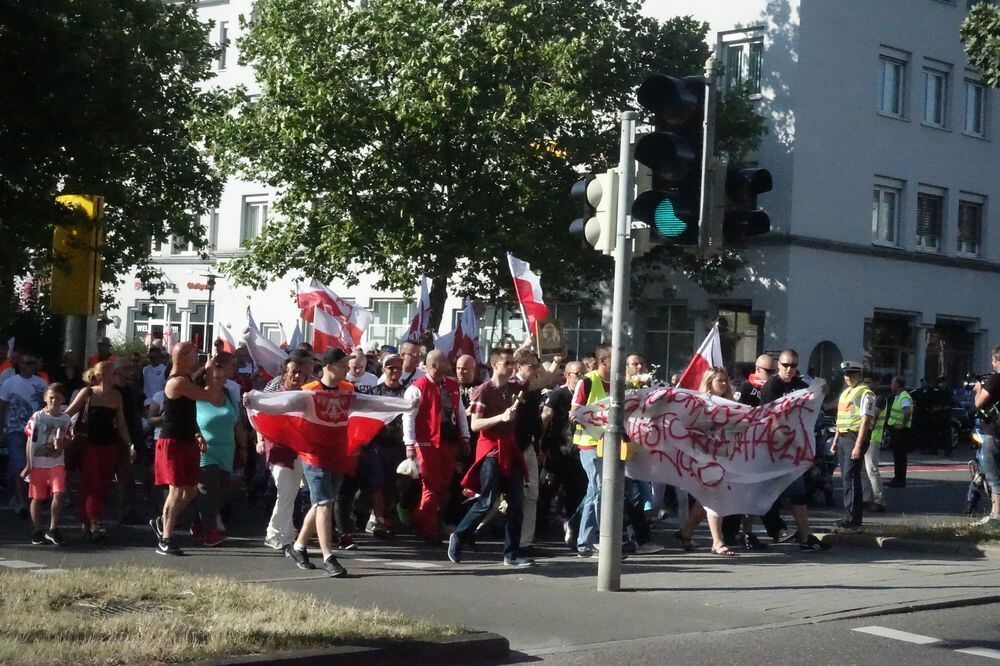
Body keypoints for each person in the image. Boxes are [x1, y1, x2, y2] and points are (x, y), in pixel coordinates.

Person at [449, 347, 531, 566]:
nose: (512, 367)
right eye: (507, 363)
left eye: (513, 363)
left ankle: (511, 554)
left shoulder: (516, 387)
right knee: (486, 501)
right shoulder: (483, 390)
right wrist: (501, 417)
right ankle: (459, 535)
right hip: (491, 452)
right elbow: (475, 425)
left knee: (516, 503)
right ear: (495, 365)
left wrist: (543, 351)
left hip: (510, 451)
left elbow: (542, 378)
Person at [149, 342, 224, 556]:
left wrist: (197, 433)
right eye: (193, 354)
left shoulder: (187, 377)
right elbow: (207, 395)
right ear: (183, 356)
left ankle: (162, 522)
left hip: (186, 439)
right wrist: (211, 374)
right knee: (177, 490)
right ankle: (166, 538)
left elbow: (188, 412)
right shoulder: (178, 382)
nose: (195, 358)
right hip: (172, 442)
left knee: (190, 489)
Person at [759, 349, 829, 550]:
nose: (790, 369)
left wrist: (823, 390)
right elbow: (769, 419)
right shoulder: (771, 387)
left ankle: (804, 536)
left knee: (798, 494)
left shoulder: (800, 385)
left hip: (794, 450)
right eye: (786, 365)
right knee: (759, 493)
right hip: (773, 449)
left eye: (794, 366)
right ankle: (748, 534)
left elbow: (813, 401)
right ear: (778, 365)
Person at [293, 348, 353, 577]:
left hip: (337, 454)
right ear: (329, 366)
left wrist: (404, 407)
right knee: (325, 503)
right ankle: (328, 557)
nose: (348, 367)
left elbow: (371, 405)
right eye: (343, 363)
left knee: (320, 503)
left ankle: (299, 547)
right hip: (313, 455)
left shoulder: (348, 390)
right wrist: (257, 401)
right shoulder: (309, 391)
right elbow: (283, 406)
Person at [64, 361, 134, 541]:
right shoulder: (87, 392)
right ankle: (95, 522)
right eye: (114, 373)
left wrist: (129, 444)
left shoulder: (117, 396)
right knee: (91, 482)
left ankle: (87, 519)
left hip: (108, 444)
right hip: (88, 444)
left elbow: (121, 424)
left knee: (104, 484)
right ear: (104, 374)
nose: (117, 376)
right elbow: (69, 413)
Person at [403, 350, 469, 543]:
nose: (449, 364)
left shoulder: (451, 385)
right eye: (444, 361)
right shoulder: (417, 388)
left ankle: (421, 517)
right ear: (433, 365)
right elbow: (408, 417)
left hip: (448, 443)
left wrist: (464, 437)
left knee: (443, 486)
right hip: (426, 443)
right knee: (431, 486)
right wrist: (410, 443)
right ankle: (428, 528)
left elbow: (460, 411)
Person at [675, 368, 739, 556]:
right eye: (720, 381)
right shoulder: (702, 403)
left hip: (722, 454)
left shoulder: (730, 403)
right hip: (704, 455)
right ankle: (717, 542)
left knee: (704, 499)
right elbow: (693, 427)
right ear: (710, 382)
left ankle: (685, 533)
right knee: (714, 495)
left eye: (726, 381)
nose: (724, 384)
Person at [258, 351, 312, 552]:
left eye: (301, 374)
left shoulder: (305, 397)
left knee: (290, 493)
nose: (298, 377)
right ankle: (274, 534)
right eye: (294, 372)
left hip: (299, 452)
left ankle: (285, 533)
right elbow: (258, 417)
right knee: (285, 493)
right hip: (280, 452)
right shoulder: (274, 397)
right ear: (284, 374)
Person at [192, 352, 245, 547]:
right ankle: (209, 531)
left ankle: (199, 524)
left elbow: (237, 423)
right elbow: (187, 420)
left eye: (224, 376)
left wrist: (243, 447)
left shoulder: (229, 394)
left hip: (227, 450)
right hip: (205, 450)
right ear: (206, 374)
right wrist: (196, 435)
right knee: (208, 490)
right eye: (217, 376)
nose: (222, 379)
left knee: (223, 490)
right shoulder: (195, 394)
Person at [725, 353, 777, 549]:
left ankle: (749, 532)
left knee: (755, 492)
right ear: (757, 369)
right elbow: (738, 413)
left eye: (774, 371)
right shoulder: (746, 388)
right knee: (742, 491)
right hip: (744, 448)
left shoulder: (775, 388)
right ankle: (733, 532)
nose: (772, 375)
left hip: (763, 447)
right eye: (768, 371)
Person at [359, 353, 407, 536]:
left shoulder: (407, 392)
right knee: (376, 484)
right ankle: (377, 519)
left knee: (394, 485)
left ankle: (386, 517)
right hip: (377, 445)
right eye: (391, 367)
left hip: (399, 445)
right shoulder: (374, 393)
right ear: (384, 369)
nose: (395, 371)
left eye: (398, 367)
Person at [571, 343, 611, 557]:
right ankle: (598, 540)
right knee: (599, 490)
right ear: (603, 361)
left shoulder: (618, 382)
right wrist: (597, 418)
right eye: (615, 358)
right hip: (590, 444)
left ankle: (582, 540)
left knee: (594, 491)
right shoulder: (587, 381)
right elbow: (574, 411)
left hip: (611, 446)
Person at [542, 361, 587, 549]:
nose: (581, 378)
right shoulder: (558, 394)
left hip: (578, 453)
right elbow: (545, 417)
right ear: (567, 375)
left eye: (584, 374)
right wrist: (541, 443)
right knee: (547, 491)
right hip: (557, 451)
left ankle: (572, 529)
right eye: (577, 374)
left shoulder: (588, 396)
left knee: (577, 494)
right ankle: (540, 530)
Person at [21, 384, 72, 545]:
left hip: (56, 462)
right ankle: (37, 530)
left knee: (59, 493)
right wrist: (29, 464)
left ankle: (53, 528)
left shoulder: (65, 419)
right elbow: (30, 440)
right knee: (37, 497)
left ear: (63, 399)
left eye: (57, 398)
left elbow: (69, 440)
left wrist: (62, 443)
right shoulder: (38, 417)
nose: (54, 401)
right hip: (38, 462)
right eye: (51, 397)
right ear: (45, 398)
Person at [831, 360, 876, 531]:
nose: (848, 377)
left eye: (852, 374)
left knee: (851, 476)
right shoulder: (846, 393)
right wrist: (835, 440)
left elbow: (865, 421)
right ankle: (848, 514)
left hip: (854, 437)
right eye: (846, 374)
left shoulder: (866, 393)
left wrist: (858, 446)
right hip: (843, 437)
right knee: (846, 477)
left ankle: (854, 518)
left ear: (859, 375)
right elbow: (840, 418)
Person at [0, 352, 48, 515]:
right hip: (14, 428)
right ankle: (18, 499)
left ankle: (18, 494)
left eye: (33, 363)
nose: (30, 366)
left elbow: (46, 405)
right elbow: (2, 407)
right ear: (19, 365)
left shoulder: (41, 383)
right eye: (27, 363)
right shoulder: (9, 383)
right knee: (18, 462)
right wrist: (1, 429)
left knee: (31, 464)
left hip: (35, 429)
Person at [972, 347, 1000, 525]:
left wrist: (977, 389)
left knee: (993, 474)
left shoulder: (995, 378)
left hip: (994, 431)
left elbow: (979, 403)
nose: (992, 363)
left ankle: (996, 514)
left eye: (993, 360)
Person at [860, 372, 887, 513]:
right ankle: (866, 499)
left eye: (869, 382)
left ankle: (879, 500)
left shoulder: (879, 398)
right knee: (863, 471)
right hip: (864, 437)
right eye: (864, 382)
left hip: (873, 438)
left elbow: (872, 415)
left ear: (875, 384)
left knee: (872, 470)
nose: (866, 385)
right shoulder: (864, 398)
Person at [885, 376, 914, 488]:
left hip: (901, 431)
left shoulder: (904, 397)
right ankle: (897, 478)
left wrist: (902, 424)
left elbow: (907, 411)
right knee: (897, 456)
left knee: (900, 456)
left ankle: (900, 480)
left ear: (898, 385)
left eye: (893, 383)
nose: (891, 385)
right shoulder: (898, 396)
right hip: (895, 430)